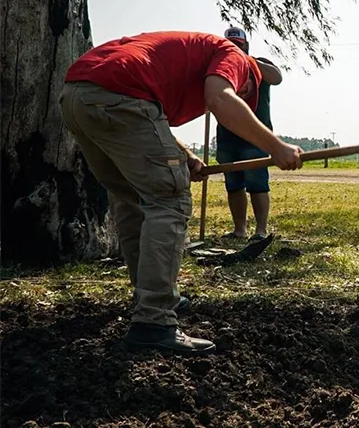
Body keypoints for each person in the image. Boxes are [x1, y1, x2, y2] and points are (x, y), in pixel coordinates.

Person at [60, 31, 304, 355]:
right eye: (245, 95)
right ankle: (155, 321)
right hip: (119, 96)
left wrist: (185, 157)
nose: (240, 94)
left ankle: (149, 297)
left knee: (132, 198)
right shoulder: (235, 58)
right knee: (170, 200)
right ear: (248, 83)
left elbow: (149, 112)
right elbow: (220, 97)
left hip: (77, 96)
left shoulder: (190, 52)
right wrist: (275, 146)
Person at [216, 27, 283, 242]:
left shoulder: (258, 65)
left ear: (246, 45)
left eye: (240, 44)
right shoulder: (221, 68)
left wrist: (249, 61)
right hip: (227, 137)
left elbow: (277, 78)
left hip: (256, 136)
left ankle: (260, 231)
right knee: (233, 185)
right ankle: (239, 230)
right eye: (231, 44)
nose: (236, 48)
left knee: (257, 183)